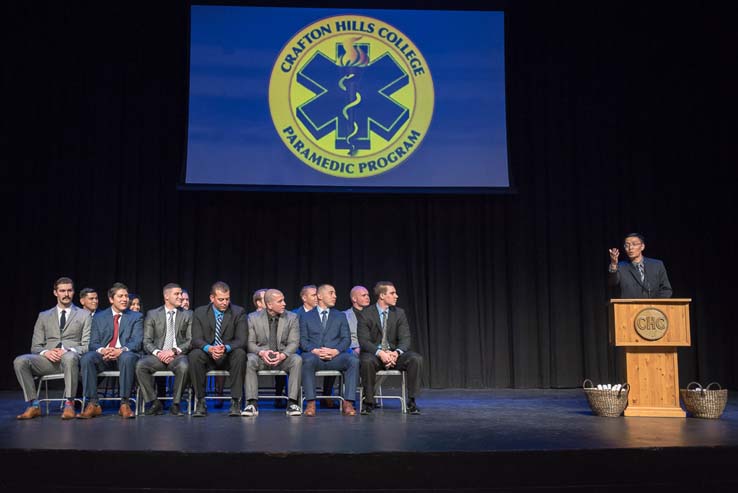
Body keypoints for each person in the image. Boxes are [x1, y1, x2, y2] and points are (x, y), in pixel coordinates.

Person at [14, 277, 91, 420]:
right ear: (55, 293)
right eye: (62, 291)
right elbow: (35, 347)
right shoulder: (43, 316)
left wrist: (68, 350)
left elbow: (87, 345)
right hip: (48, 361)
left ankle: (69, 404)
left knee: (69, 357)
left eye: (69, 290)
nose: (66, 294)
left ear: (73, 292)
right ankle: (33, 405)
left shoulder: (84, 315)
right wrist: (46, 352)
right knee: (20, 361)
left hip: (71, 361)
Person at [78, 282, 143, 419]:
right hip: (105, 356)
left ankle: (125, 403)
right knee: (87, 358)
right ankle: (93, 403)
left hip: (124, 355)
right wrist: (103, 350)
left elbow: (136, 342)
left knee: (127, 357)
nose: (125, 299)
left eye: (126, 296)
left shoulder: (136, 317)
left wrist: (121, 350)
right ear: (111, 299)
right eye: (120, 296)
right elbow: (93, 343)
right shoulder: (99, 317)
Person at [358, 281, 423, 415]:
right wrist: (380, 353)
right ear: (382, 295)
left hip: (394, 354)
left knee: (415, 359)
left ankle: (411, 401)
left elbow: (405, 339)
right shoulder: (366, 313)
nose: (396, 296)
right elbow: (364, 341)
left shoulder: (399, 313)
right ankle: (368, 402)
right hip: (375, 355)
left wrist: (396, 353)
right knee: (366, 361)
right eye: (392, 293)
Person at [188, 281, 247, 417]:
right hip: (208, 355)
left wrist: (224, 348)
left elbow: (241, 340)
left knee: (240, 353)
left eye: (227, 299)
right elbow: (196, 338)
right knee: (194, 355)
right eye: (221, 299)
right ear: (212, 298)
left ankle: (235, 402)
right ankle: (201, 401)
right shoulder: (200, 312)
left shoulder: (238, 312)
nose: (224, 302)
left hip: (228, 355)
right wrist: (210, 349)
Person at [300, 284, 359, 417]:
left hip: (335, 356)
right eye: (331, 293)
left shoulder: (340, 316)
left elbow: (346, 339)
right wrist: (314, 350)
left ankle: (348, 403)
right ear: (320, 296)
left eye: (335, 293)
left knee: (353, 360)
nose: (335, 296)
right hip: (315, 356)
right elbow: (303, 340)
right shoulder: (306, 316)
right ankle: (311, 403)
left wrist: (335, 351)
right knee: (307, 360)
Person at [243, 289, 303, 417]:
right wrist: (262, 352)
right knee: (249, 360)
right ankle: (251, 403)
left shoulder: (292, 317)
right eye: (280, 301)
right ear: (269, 305)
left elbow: (294, 342)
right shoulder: (253, 318)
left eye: (284, 300)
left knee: (296, 359)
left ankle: (292, 402)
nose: (284, 304)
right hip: (262, 357)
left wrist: (282, 355)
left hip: (282, 357)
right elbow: (249, 343)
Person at [136, 283, 192, 416]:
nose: (180, 297)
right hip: (158, 356)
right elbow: (147, 341)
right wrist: (159, 353)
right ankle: (154, 403)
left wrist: (173, 351)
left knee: (184, 366)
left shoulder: (188, 314)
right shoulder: (153, 314)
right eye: (176, 294)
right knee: (140, 365)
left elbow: (190, 340)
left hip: (177, 355)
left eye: (180, 294)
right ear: (166, 296)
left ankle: (176, 404)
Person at [608, 233, 673, 298]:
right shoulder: (620, 266)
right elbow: (613, 283)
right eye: (627, 245)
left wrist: (656, 304)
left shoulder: (657, 265)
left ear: (642, 247)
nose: (630, 248)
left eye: (634, 244)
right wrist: (613, 264)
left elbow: (666, 289)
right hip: (629, 307)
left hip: (653, 307)